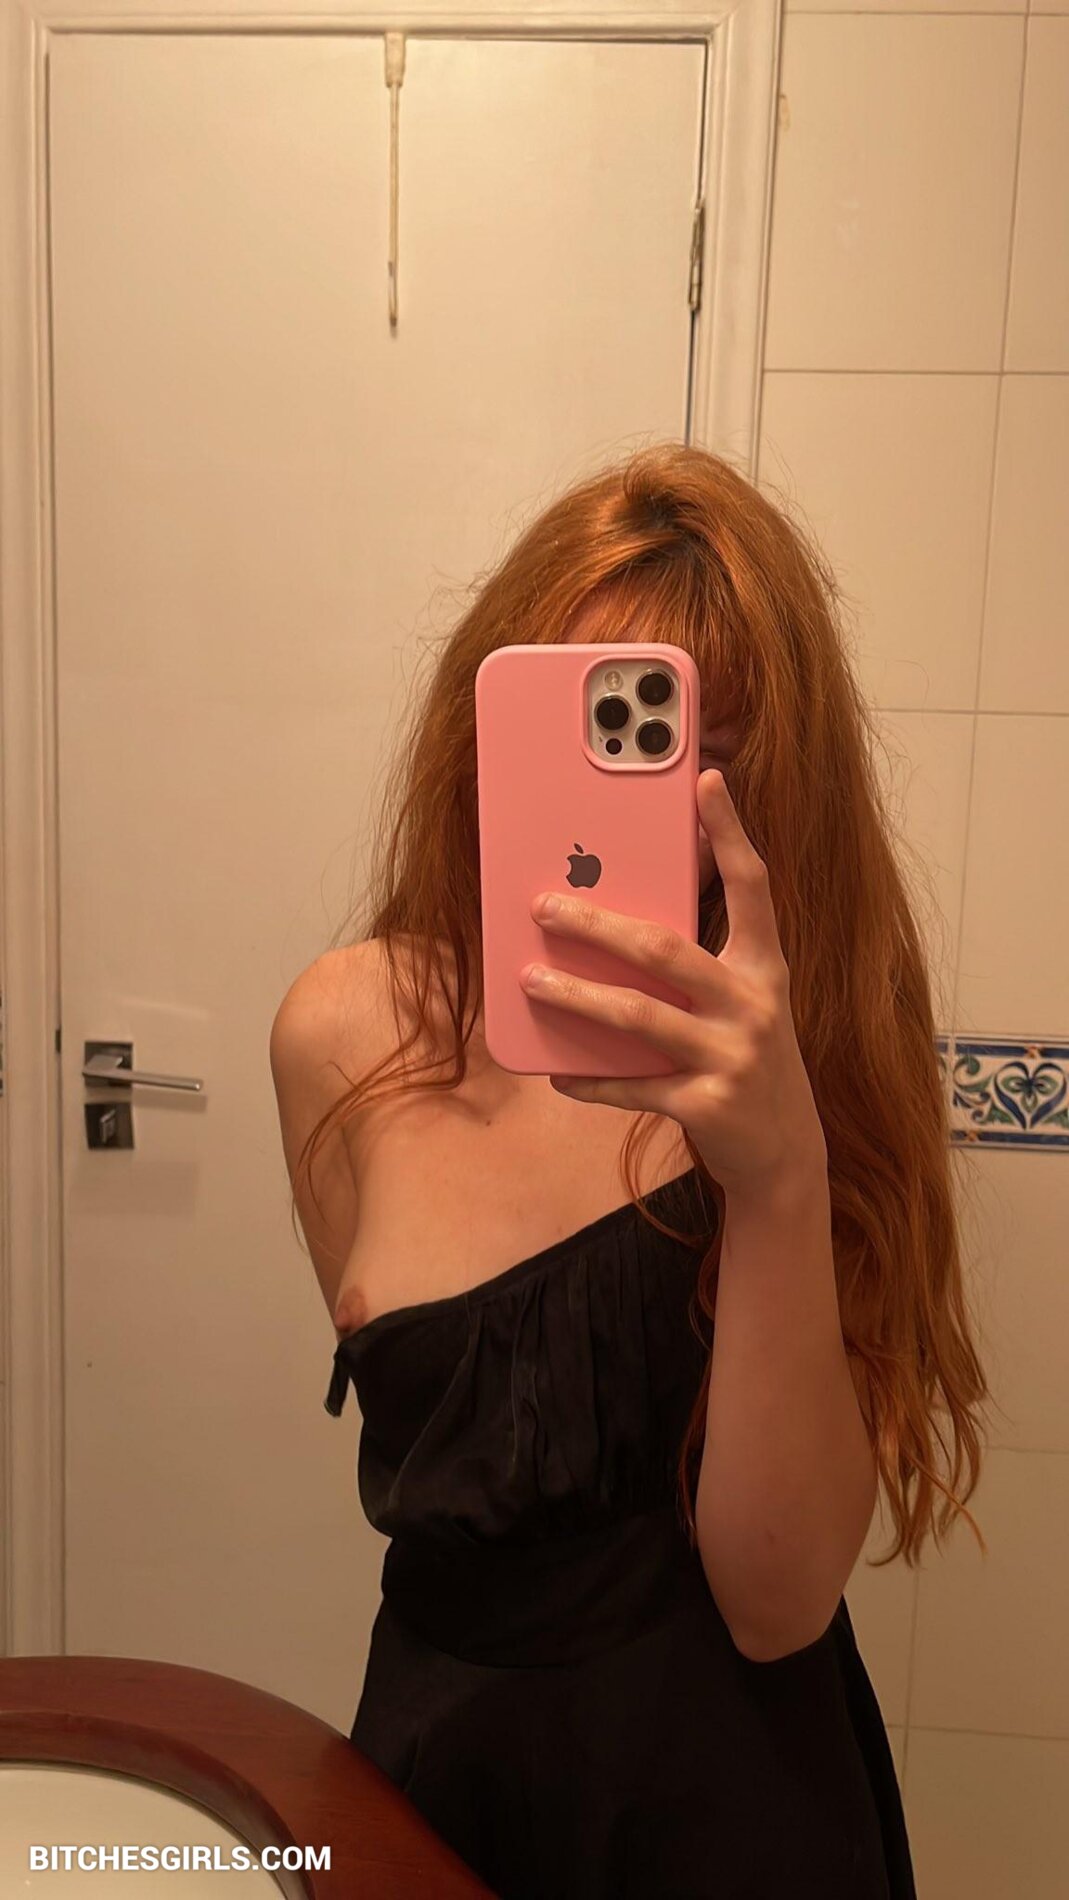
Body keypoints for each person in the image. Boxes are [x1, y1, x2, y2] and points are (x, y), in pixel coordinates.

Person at [270, 441, 990, 1899]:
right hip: (434, 1787)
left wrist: (777, 1175)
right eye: (595, 731)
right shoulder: (343, 1036)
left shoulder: (812, 1048)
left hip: (732, 1811)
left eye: (696, 750)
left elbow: (776, 1601)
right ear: (483, 727)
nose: (648, 800)